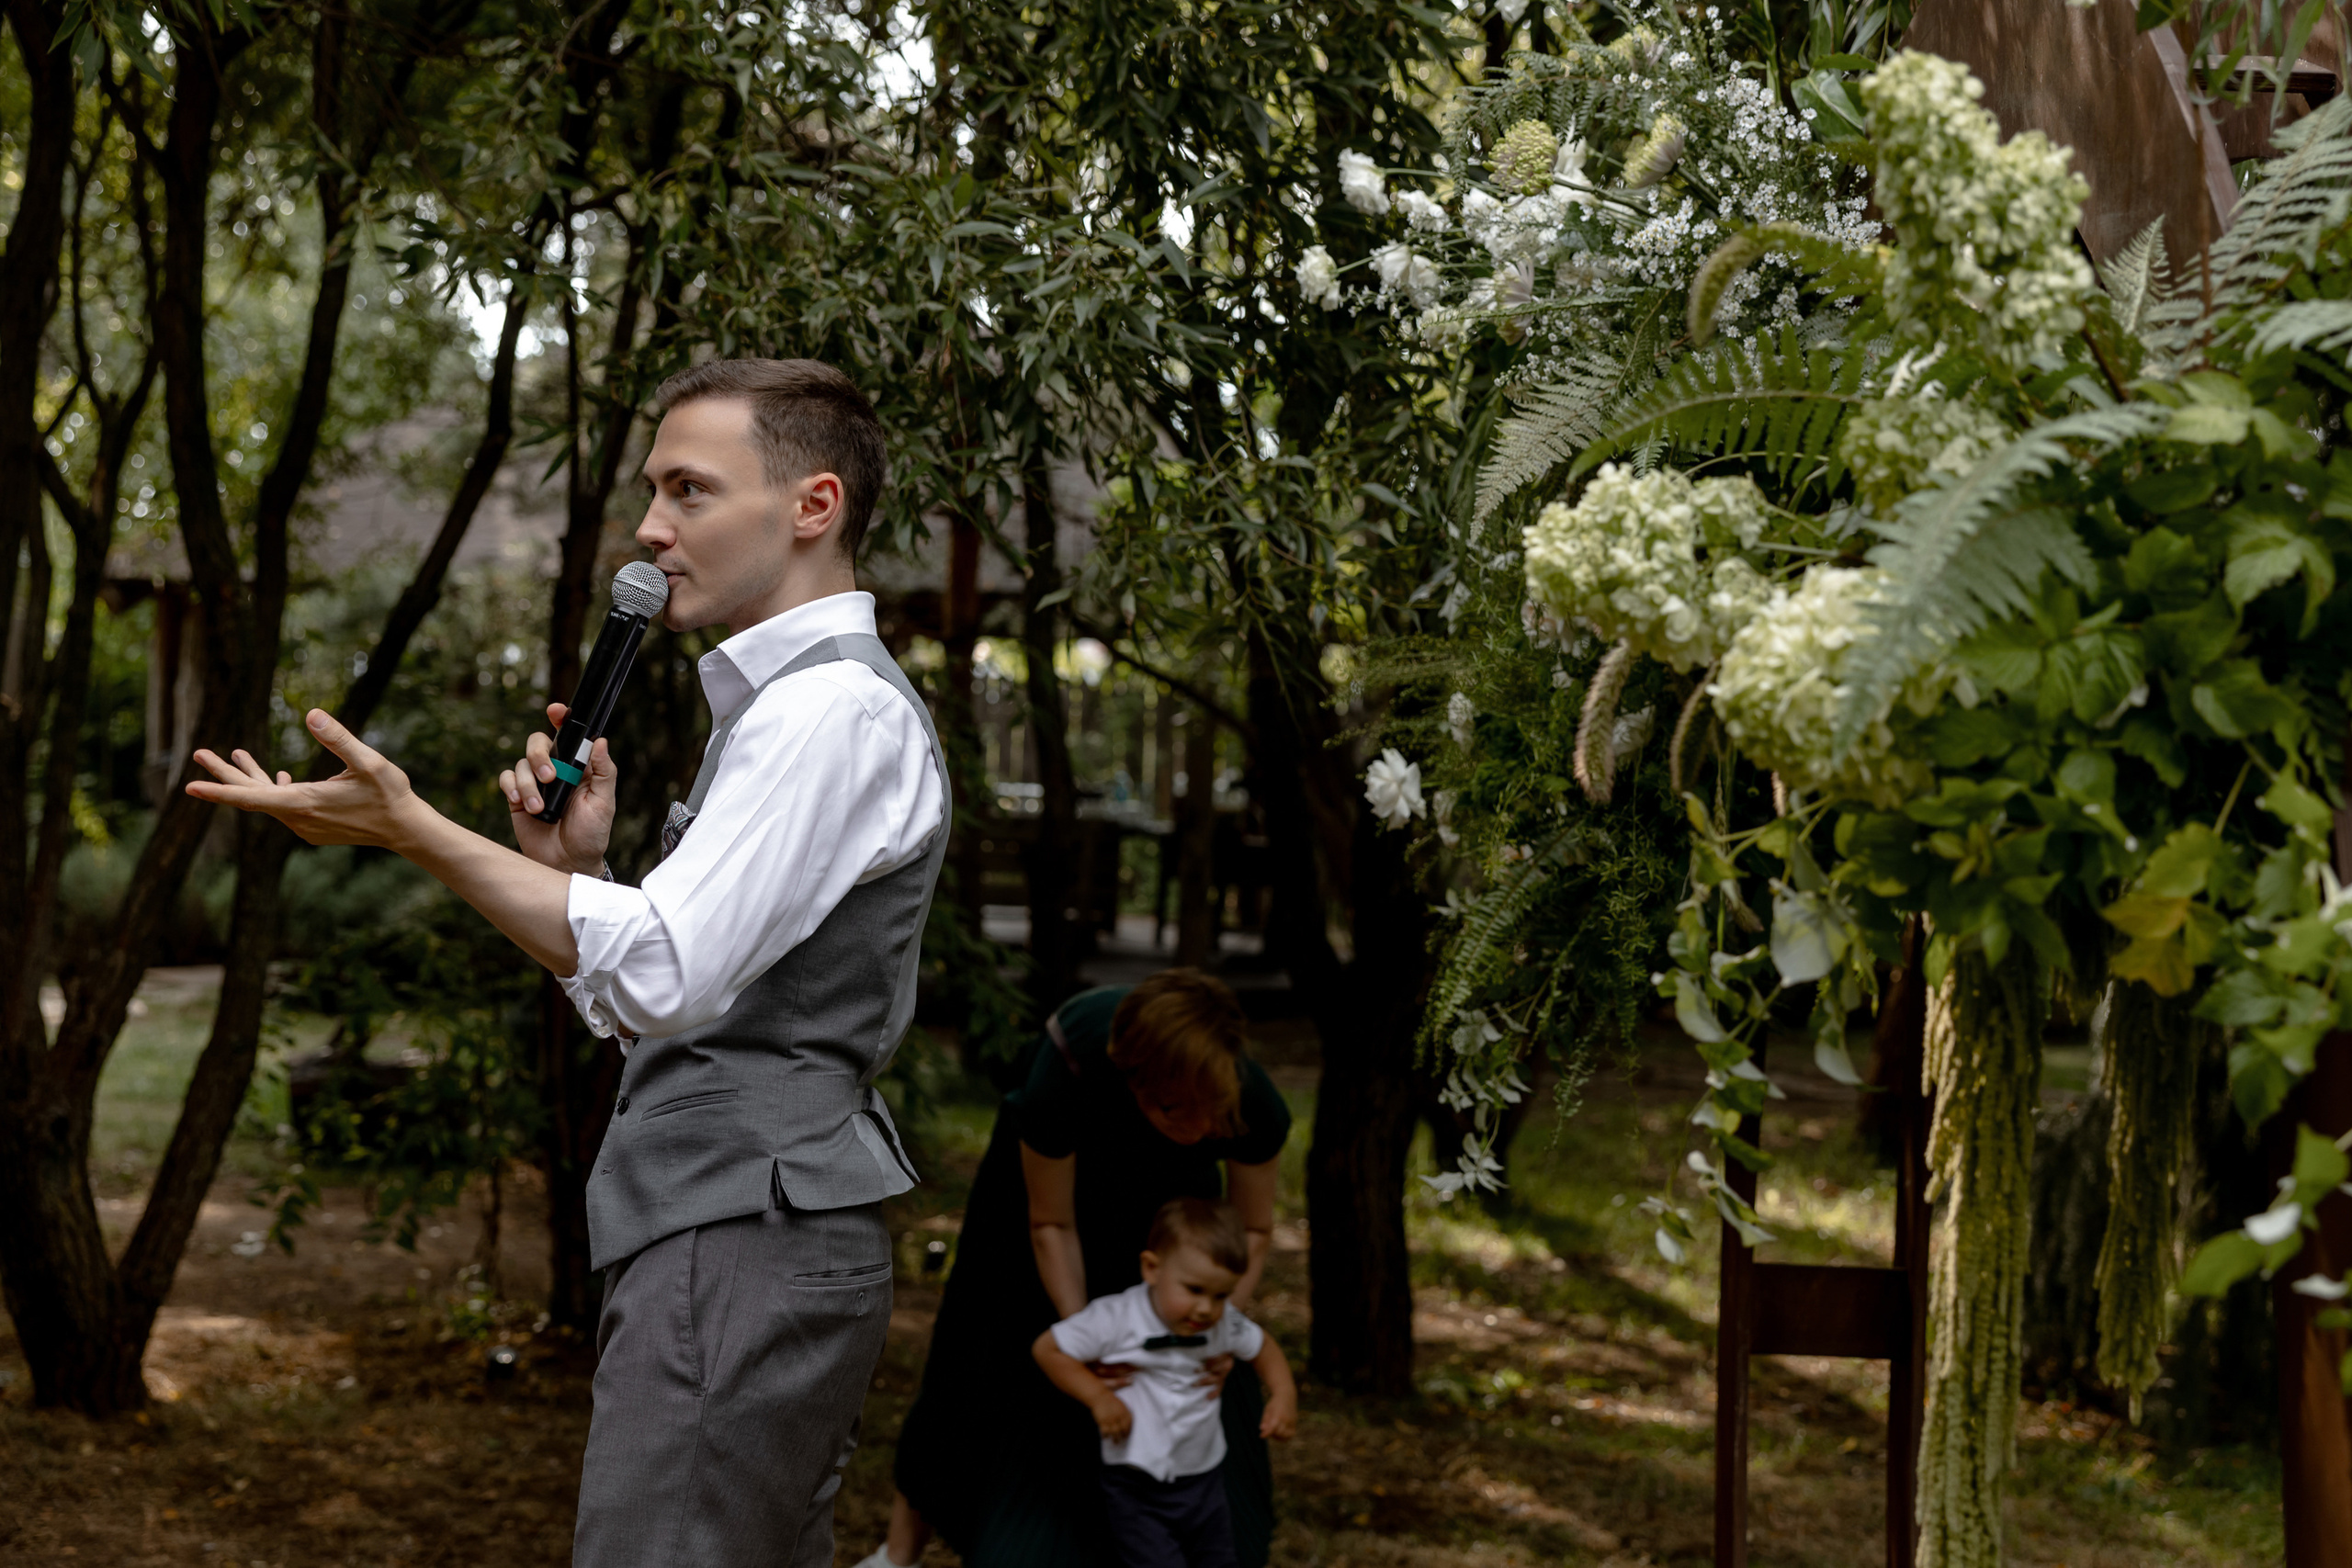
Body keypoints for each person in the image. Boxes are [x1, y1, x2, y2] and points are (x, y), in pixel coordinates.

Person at [185, 357, 944, 1568]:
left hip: (741, 1237)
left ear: (814, 505)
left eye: (689, 489)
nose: (650, 526)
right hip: (745, 1230)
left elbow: (662, 973)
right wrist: (576, 871)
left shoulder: (826, 712)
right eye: (652, 491)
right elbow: (670, 1004)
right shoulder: (790, 706)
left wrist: (410, 827)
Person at [859, 970, 1293, 1568]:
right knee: (979, 1350)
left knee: (1187, 1361)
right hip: (1038, 1206)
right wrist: (1086, 1334)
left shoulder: (1252, 1102)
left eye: (1209, 1117)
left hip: (1168, 1210)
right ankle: (900, 1553)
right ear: (1134, 1075)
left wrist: (1217, 1320)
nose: (1196, 1128)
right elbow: (1051, 1224)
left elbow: (1252, 1229)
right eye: (1175, 1109)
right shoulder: (1073, 1056)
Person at [1034, 1198, 1297, 1568]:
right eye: (1194, 1290)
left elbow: (1263, 1347)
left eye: (1221, 1295)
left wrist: (1283, 1394)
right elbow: (1049, 1349)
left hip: (1202, 1478)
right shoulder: (1114, 1318)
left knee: (1218, 1559)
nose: (1207, 1308)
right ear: (1152, 1268)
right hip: (1135, 1483)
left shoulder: (1222, 1323)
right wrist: (1098, 1397)